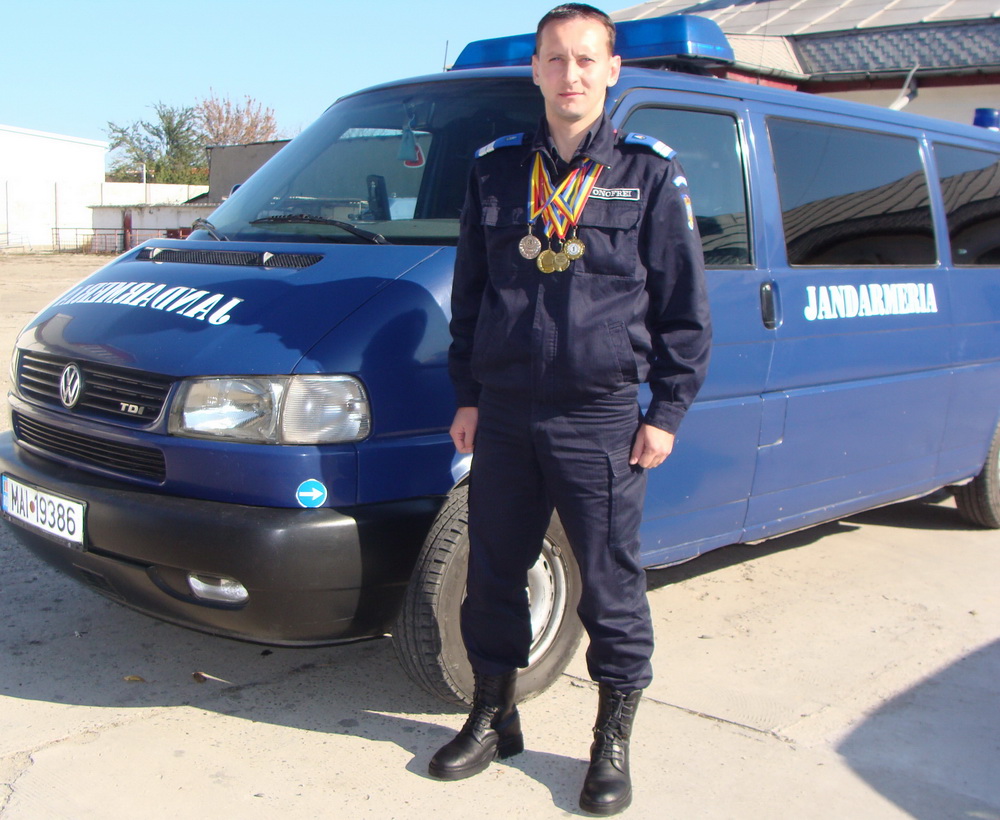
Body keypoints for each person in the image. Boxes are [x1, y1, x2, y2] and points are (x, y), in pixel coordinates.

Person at [430, 4, 712, 814]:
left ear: (612, 70)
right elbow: (472, 298)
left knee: (611, 590)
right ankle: (493, 714)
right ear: (536, 71)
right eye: (556, 59)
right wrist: (468, 397)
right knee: (492, 574)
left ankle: (610, 741)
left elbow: (685, 311)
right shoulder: (495, 170)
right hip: (508, 414)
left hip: (600, 418)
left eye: (587, 60)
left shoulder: (650, 173)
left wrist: (667, 412)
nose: (571, 74)